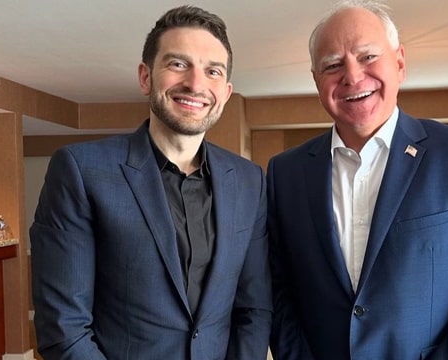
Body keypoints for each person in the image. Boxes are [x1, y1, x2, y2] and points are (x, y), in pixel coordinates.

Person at [267, 0, 448, 359]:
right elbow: (280, 294)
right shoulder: (285, 174)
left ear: (400, 63)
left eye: (368, 56)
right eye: (333, 65)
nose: (353, 76)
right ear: (316, 80)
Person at [30, 5, 271, 359]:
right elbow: (63, 327)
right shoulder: (81, 170)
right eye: (178, 64)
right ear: (146, 77)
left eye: (213, 71)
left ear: (227, 90)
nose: (196, 83)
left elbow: (254, 309)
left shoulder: (250, 180)